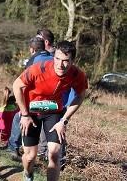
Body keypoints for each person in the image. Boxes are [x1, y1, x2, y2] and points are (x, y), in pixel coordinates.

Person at [12, 40, 88, 181]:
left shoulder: (77, 75)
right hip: (31, 112)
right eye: (57, 59)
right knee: (30, 157)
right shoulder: (38, 69)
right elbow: (17, 86)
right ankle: (28, 175)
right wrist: (24, 114)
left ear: (73, 60)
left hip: (53, 112)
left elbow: (80, 95)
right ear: (53, 56)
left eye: (65, 61)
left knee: (54, 154)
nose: (60, 64)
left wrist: (64, 120)